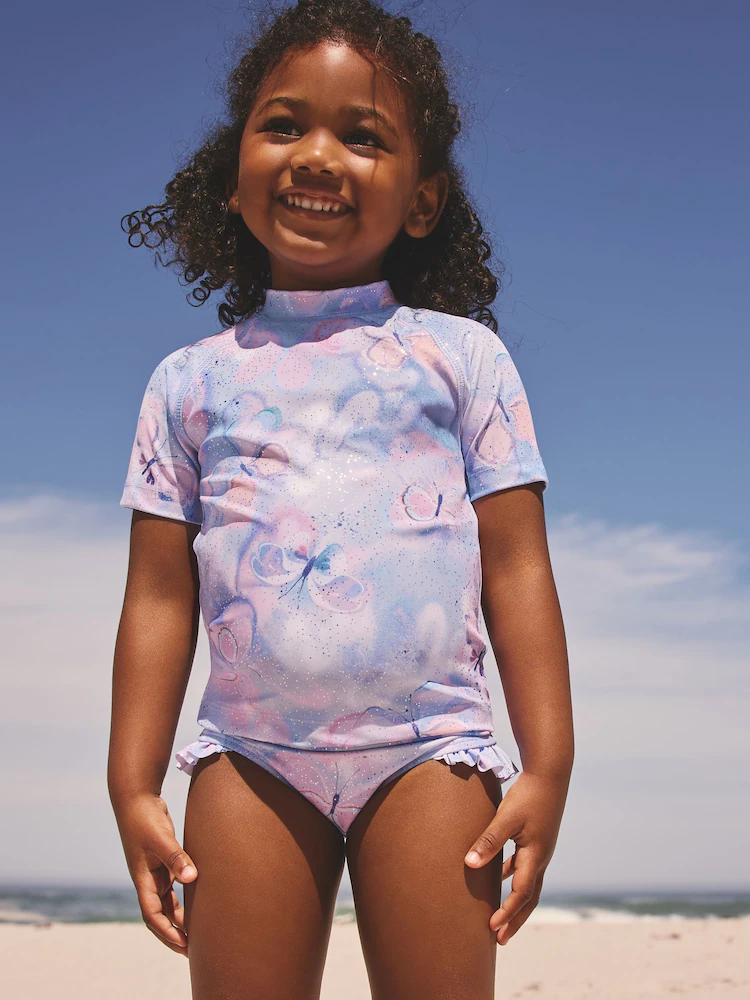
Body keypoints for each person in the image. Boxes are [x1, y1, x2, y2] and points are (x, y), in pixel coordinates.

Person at [108, 2, 574, 997]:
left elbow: (517, 567)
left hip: (431, 754)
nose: (318, 156)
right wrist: (132, 781)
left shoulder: (464, 359)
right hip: (249, 762)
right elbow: (157, 597)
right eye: (284, 125)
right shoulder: (187, 382)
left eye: (363, 136)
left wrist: (548, 765)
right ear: (230, 174)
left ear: (423, 199)